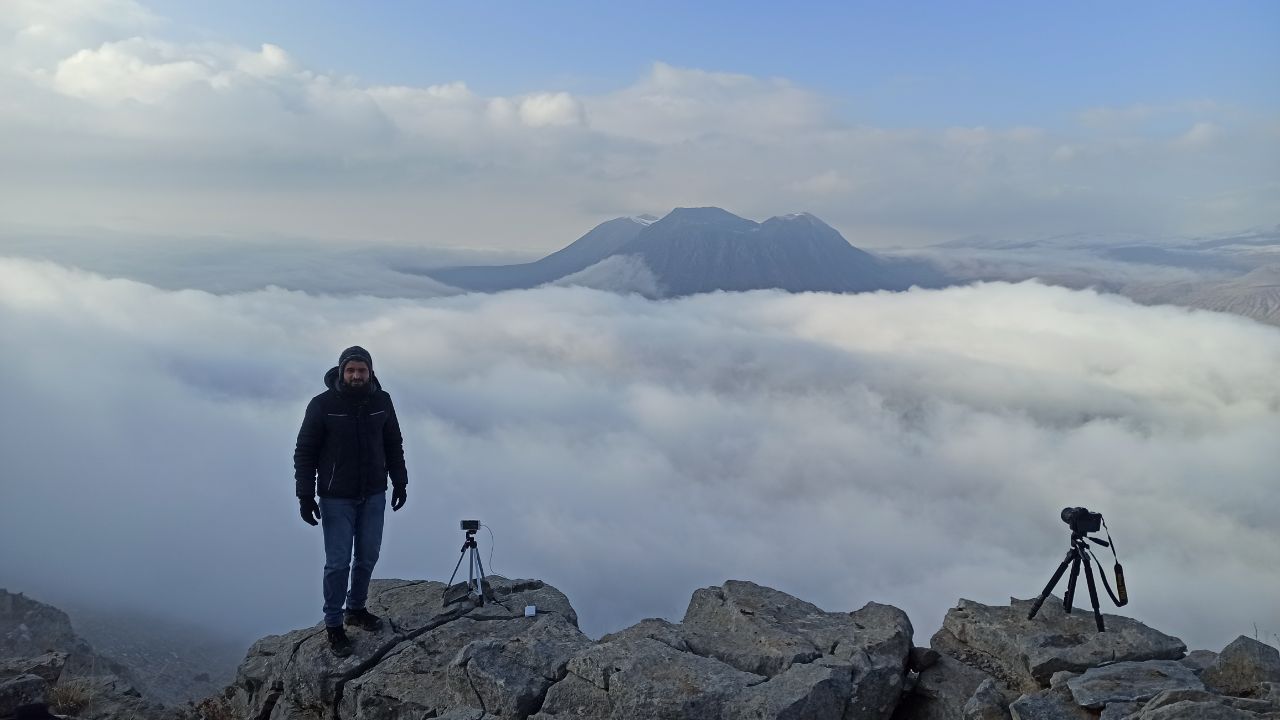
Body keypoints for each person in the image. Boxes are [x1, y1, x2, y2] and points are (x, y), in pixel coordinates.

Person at [294, 345, 408, 657]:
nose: (356, 375)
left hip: (374, 493)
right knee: (338, 562)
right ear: (341, 372)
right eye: (351, 370)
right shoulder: (322, 405)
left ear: (370, 372)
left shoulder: (382, 401)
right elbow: (305, 451)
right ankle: (333, 624)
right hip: (336, 497)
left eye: (362, 370)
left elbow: (393, 443)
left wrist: (400, 481)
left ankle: (356, 609)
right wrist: (305, 495)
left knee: (368, 556)